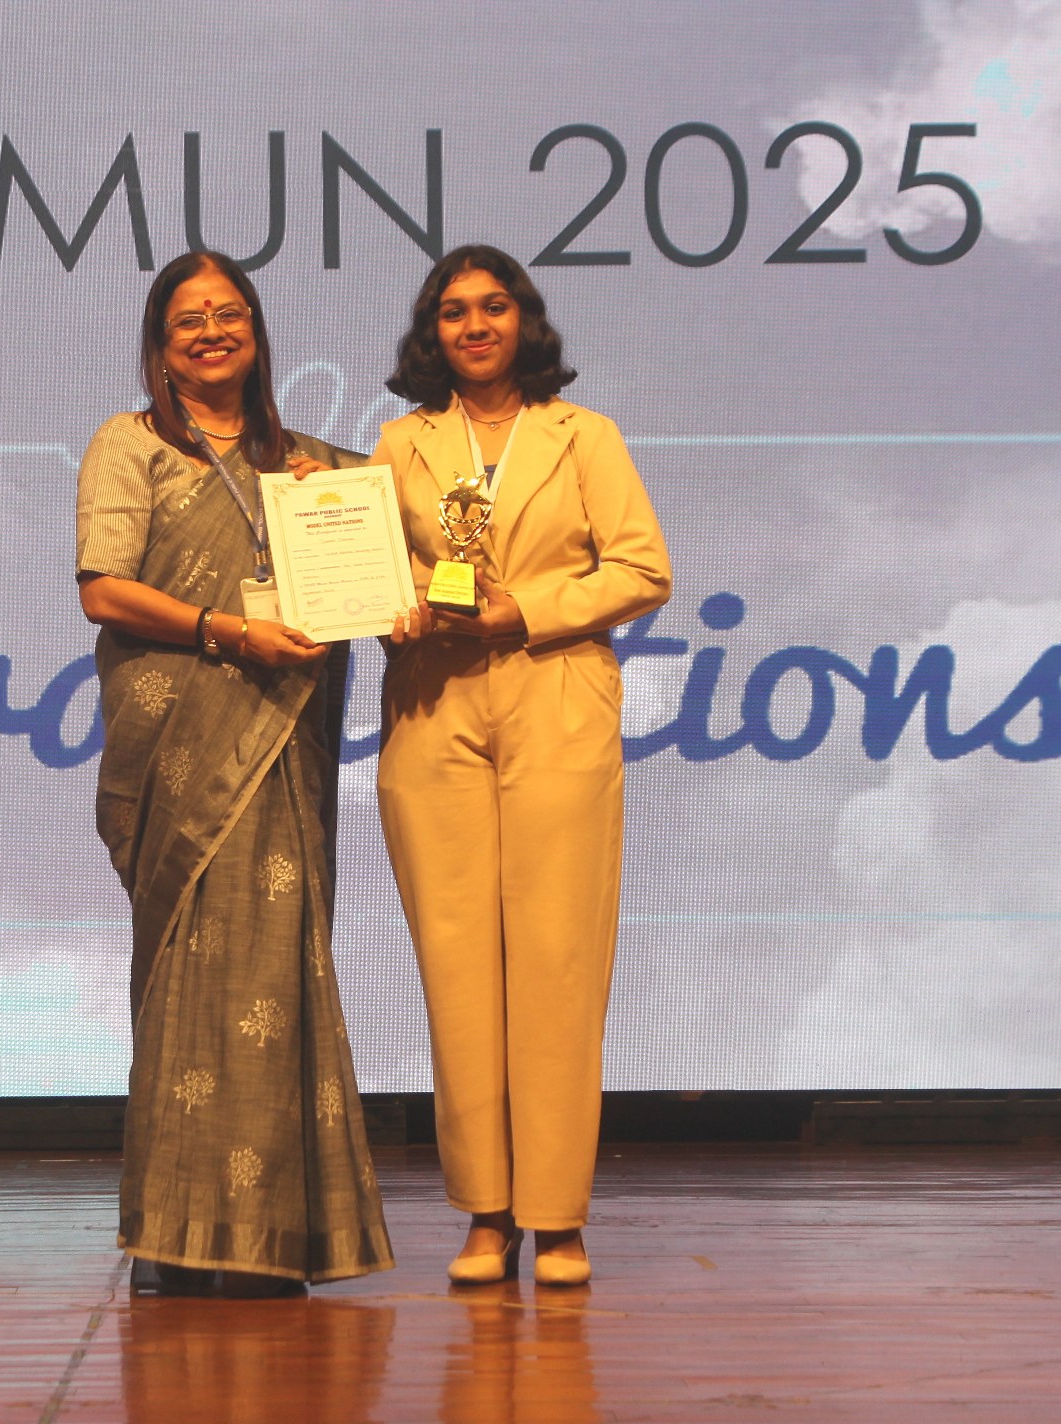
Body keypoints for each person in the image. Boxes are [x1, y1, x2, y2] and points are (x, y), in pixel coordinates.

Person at [76, 250, 395, 1294]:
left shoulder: (314, 468)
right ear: (162, 347)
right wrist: (227, 630)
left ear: (256, 331)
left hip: (279, 742)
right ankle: (176, 1237)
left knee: (274, 968)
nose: (212, 331)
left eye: (230, 313)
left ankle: (269, 1235)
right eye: (189, 320)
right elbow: (104, 591)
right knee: (186, 970)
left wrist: (401, 581)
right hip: (182, 741)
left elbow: (415, 562)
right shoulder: (131, 445)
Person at [371, 244, 670, 1287]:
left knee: (556, 957)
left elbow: (642, 569)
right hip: (434, 700)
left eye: (493, 306)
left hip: (554, 689)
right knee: (457, 965)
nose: (475, 325)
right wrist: (388, 598)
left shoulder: (583, 436)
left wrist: (524, 609)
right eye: (453, 311)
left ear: (525, 320)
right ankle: (487, 1212)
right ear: (433, 332)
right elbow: (373, 571)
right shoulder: (400, 444)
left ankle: (558, 1213)